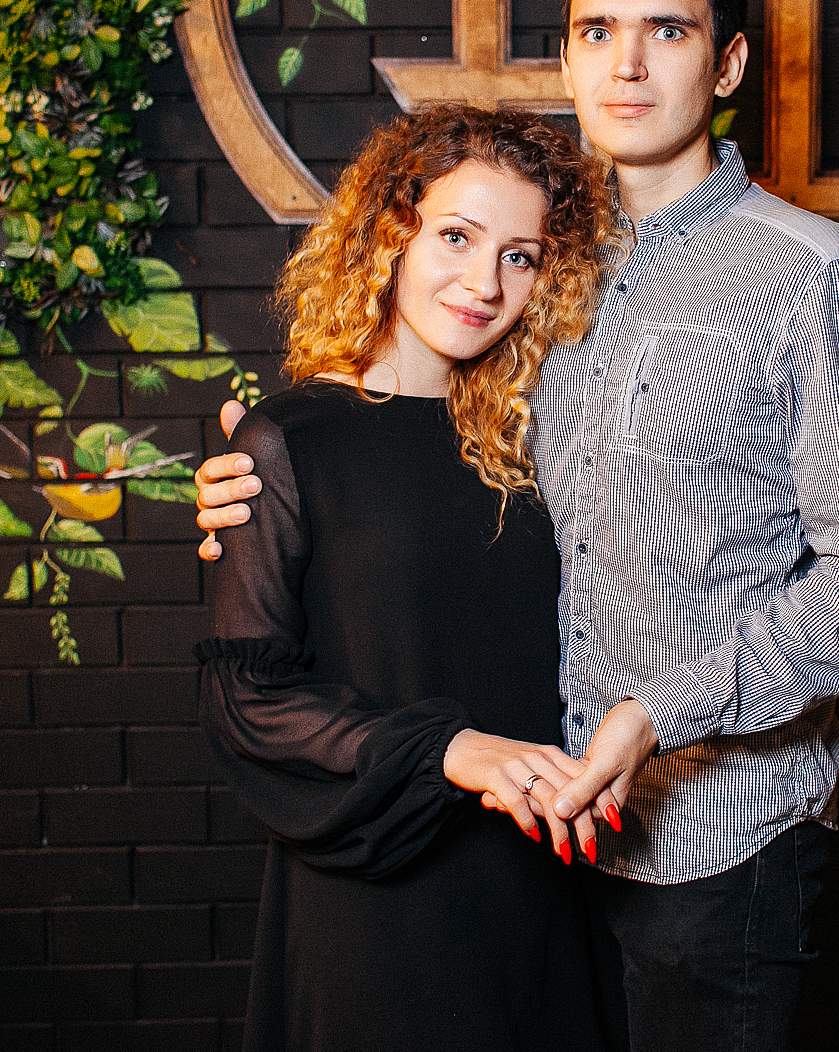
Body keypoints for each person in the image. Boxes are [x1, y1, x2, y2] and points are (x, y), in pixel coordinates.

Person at [197, 0, 839, 1052]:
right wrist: (265, 477)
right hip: (538, 845)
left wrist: (657, 713)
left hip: (712, 845)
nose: (627, 64)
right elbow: (411, 447)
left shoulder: (812, 278)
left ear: (728, 62)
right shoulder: (548, 261)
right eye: (597, 30)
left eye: (667, 30)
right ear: (569, 55)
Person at [197, 102, 627, 1051]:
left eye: (520, 256)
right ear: (390, 233)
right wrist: (449, 749)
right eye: (457, 237)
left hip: (539, 887)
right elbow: (247, 701)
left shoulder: (543, 437)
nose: (485, 283)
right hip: (376, 901)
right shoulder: (287, 441)